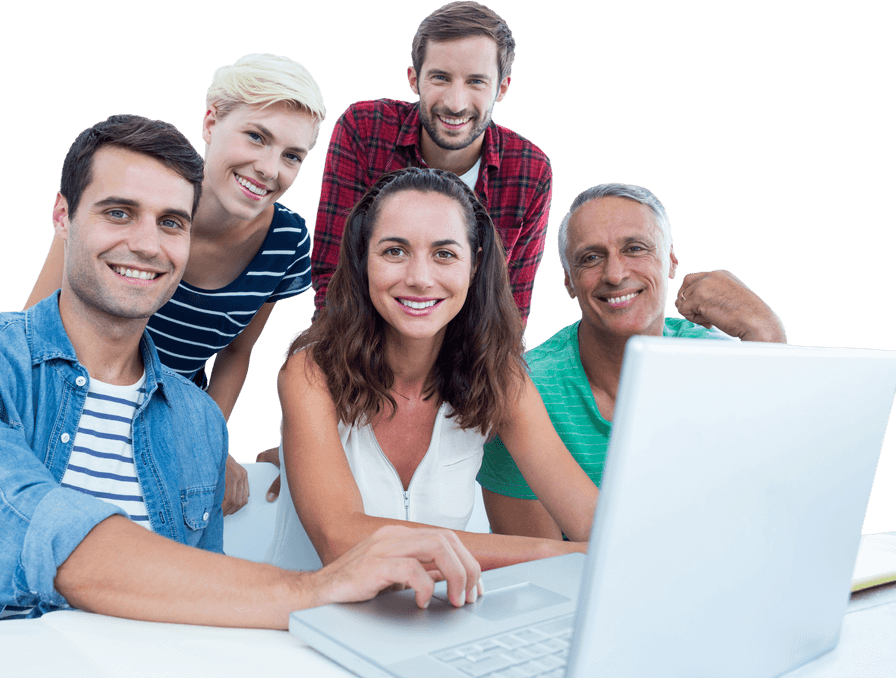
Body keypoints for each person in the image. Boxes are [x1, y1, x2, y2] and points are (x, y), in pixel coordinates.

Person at [0, 114, 482, 637]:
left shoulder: (195, 422)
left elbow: (198, 612)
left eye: (171, 222)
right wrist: (321, 586)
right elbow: (25, 531)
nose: (147, 244)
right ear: (62, 214)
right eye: (118, 212)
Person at [0, 53, 325, 516]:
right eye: (256, 137)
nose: (270, 168)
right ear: (211, 121)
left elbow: (237, 352)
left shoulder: (286, 243)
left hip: (168, 413)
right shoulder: (125, 189)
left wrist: (208, 439)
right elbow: (38, 321)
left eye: (292, 156)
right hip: (73, 396)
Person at [265, 168, 598, 572]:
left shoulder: (502, 379)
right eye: (394, 251)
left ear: (474, 266)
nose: (420, 278)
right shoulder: (310, 374)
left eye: (444, 254)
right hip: (307, 626)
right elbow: (341, 540)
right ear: (362, 260)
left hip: (437, 625)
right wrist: (551, 552)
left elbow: (594, 523)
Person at [478, 183, 788, 538]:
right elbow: (535, 569)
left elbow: (776, 508)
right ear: (568, 281)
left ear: (671, 260)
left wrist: (767, 333)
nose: (614, 274)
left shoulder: (714, 359)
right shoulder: (527, 392)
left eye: (635, 249)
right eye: (590, 258)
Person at [311, 1, 551, 324]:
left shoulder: (530, 171)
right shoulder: (364, 131)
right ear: (414, 79)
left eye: (476, 82)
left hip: (465, 359)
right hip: (365, 345)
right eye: (440, 77)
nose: (455, 103)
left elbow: (509, 311)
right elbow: (333, 278)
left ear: (502, 88)